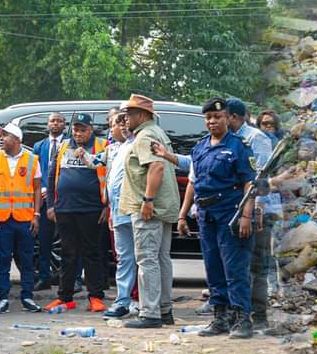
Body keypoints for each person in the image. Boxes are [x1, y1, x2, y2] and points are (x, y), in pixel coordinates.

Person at [178, 97, 256, 339]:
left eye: (218, 117)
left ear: (227, 118)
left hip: (230, 213)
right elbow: (193, 182)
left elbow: (250, 183)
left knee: (234, 268)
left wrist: (246, 215)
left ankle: (243, 319)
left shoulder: (238, 146)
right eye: (209, 117)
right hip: (205, 214)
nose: (213, 121)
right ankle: (220, 318)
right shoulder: (199, 147)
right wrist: (182, 215)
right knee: (213, 269)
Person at [116, 94, 179, 330]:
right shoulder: (158, 132)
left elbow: (156, 166)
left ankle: (150, 312)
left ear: (141, 115)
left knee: (147, 259)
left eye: (128, 115)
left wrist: (148, 200)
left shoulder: (145, 135)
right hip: (163, 206)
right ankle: (164, 310)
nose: (125, 119)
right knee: (162, 258)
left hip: (149, 208)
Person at [44, 112, 108, 313]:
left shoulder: (102, 146)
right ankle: (65, 298)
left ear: (91, 130)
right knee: (67, 254)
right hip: (65, 208)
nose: (79, 133)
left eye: (83, 129)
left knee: (92, 254)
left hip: (92, 209)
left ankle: (95, 297)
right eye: (76, 129)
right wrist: (51, 206)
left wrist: (107, 206)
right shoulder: (64, 146)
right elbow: (52, 174)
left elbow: (111, 177)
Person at [225, 99, 274, 332]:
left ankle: (260, 315)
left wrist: (258, 209)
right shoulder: (231, 140)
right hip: (240, 210)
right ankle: (238, 313)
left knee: (257, 266)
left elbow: (261, 177)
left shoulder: (256, 139)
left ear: (234, 117)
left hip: (259, 211)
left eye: (223, 116)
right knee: (238, 265)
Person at [0, 122, 42, 314]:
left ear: (17, 139)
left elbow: (37, 188)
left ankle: (27, 296)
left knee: (26, 260)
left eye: (6, 136)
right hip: (2, 219)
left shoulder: (32, 160)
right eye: (1, 136)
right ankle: (3, 298)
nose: (1, 139)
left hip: (25, 218)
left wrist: (36, 215)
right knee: (2, 260)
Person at [104, 110, 136, 318]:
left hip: (136, 210)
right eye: (119, 122)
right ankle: (123, 301)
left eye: (126, 122)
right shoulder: (119, 148)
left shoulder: (140, 143)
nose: (123, 126)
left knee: (143, 258)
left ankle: (146, 303)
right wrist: (111, 211)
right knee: (124, 258)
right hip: (118, 211)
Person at [31, 112, 66, 291]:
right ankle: (44, 277)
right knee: (44, 241)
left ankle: (70, 280)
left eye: (59, 121)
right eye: (52, 121)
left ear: (64, 125)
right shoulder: (39, 145)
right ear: (47, 124)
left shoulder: (69, 144)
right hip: (44, 200)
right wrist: (44, 189)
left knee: (69, 242)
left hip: (64, 199)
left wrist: (55, 190)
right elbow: (36, 171)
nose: (55, 124)